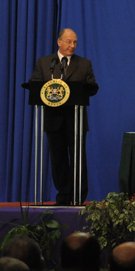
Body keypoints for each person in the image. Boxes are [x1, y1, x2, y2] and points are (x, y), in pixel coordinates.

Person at [29, 28, 99, 205]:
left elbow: (92, 86)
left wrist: (80, 89)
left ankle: (78, 197)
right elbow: (34, 84)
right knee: (58, 159)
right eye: (69, 42)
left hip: (76, 120)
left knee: (78, 159)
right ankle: (63, 195)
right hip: (53, 120)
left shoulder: (84, 64)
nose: (72, 45)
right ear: (59, 42)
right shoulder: (45, 63)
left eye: (75, 42)